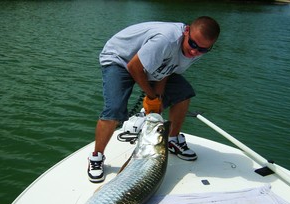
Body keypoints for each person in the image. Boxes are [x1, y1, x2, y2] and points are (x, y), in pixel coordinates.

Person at [88, 16, 220, 183]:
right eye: (193, 44)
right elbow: (134, 67)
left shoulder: (196, 48)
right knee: (114, 109)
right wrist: (151, 96)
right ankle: (96, 157)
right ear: (186, 31)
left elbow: (166, 68)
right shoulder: (166, 40)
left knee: (184, 93)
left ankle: (172, 140)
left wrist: (157, 98)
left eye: (203, 50)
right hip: (120, 59)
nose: (195, 52)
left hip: (148, 64)